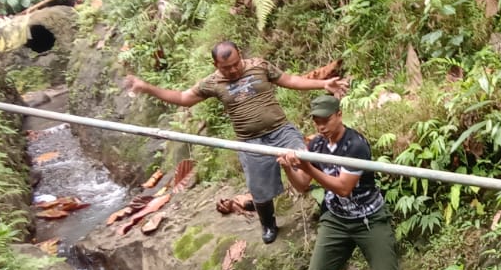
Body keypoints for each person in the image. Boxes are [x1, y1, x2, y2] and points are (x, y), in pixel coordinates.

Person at [124, 42, 347, 244]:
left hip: (281, 132)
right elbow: (183, 98)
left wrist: (323, 83)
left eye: (235, 64)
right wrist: (146, 87)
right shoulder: (212, 83)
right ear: (216, 64)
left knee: (307, 161)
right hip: (251, 142)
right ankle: (268, 224)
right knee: (259, 191)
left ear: (240, 55)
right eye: (226, 67)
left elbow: (290, 80)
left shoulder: (260, 66)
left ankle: (329, 205)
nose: (232, 70)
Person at [276, 94, 431, 270]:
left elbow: (344, 188)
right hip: (336, 219)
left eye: (326, 120)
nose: (322, 126)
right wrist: (290, 168)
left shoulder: (356, 145)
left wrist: (307, 166)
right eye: (317, 122)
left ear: (339, 115)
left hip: (369, 219)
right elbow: (303, 185)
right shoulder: (317, 146)